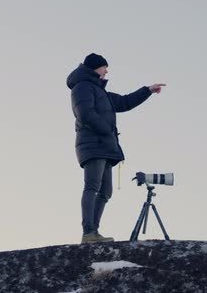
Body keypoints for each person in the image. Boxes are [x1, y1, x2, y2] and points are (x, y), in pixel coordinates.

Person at [66, 53, 166, 244]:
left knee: (106, 191)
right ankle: (88, 232)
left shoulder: (100, 91)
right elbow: (84, 113)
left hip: (104, 146)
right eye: (104, 67)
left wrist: (148, 90)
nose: (107, 71)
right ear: (96, 68)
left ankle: (94, 233)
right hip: (93, 144)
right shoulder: (83, 87)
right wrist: (106, 130)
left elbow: (124, 102)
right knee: (92, 186)